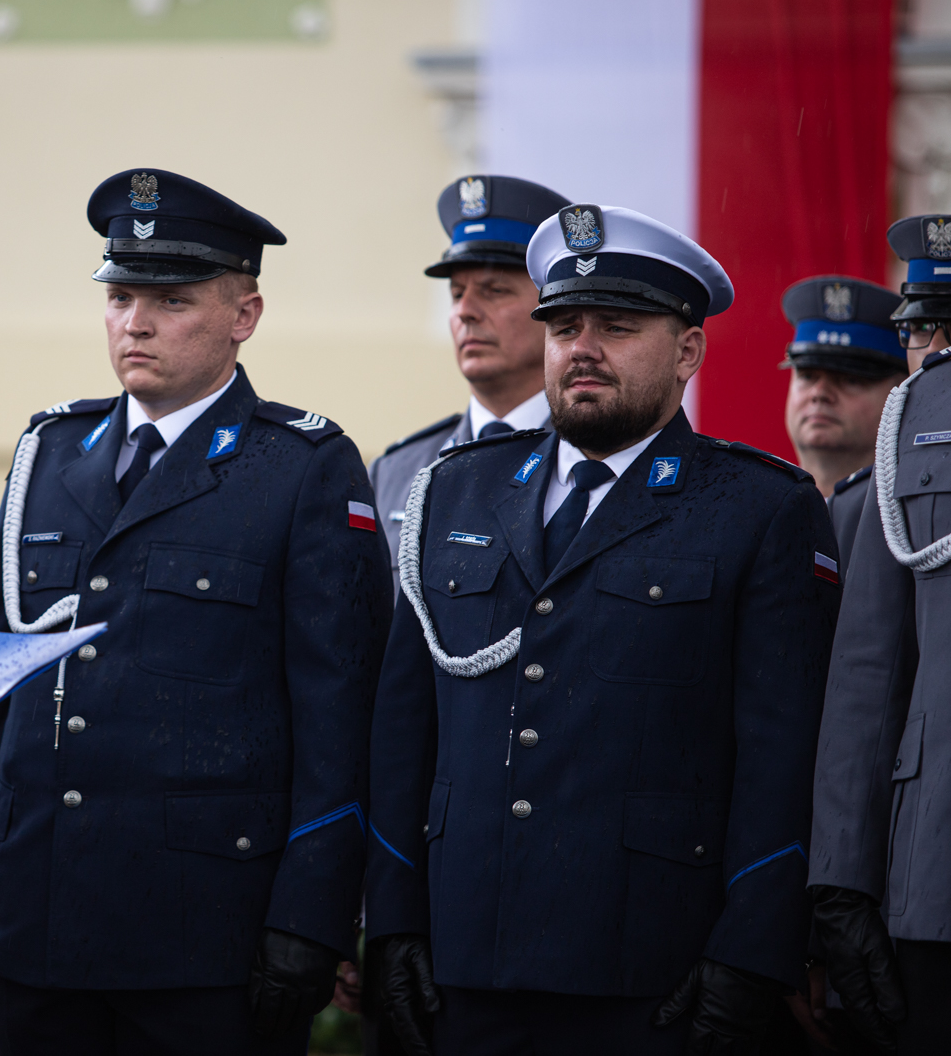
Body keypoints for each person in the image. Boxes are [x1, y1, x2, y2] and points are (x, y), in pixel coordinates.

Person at [0, 168, 393, 1054]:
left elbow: (342, 717)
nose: (135, 323)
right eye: (120, 297)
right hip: (40, 916)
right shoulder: (50, 451)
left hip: (209, 935)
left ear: (244, 314)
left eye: (171, 300)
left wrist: (312, 916)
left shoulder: (302, 466)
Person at [364, 204, 842, 1054]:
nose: (582, 348)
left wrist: (750, 952)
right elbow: (405, 731)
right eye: (564, 326)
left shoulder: (759, 508)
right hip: (464, 960)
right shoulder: (453, 490)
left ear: (688, 351)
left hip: (652, 968)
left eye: (617, 327)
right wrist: (394, 919)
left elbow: (784, 756)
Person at [808, 212, 951, 1055]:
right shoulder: (905, 440)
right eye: (921, 330)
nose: (935, 353)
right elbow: (868, 676)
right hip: (934, 876)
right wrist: (841, 883)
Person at [367, 176, 568, 595]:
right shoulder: (397, 470)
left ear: (554, 309)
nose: (466, 311)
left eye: (495, 290)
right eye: (457, 293)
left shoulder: (592, 461)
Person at [779, 275, 907, 573]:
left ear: (902, 390)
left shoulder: (915, 523)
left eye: (850, 379)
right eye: (807, 375)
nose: (819, 393)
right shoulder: (754, 511)